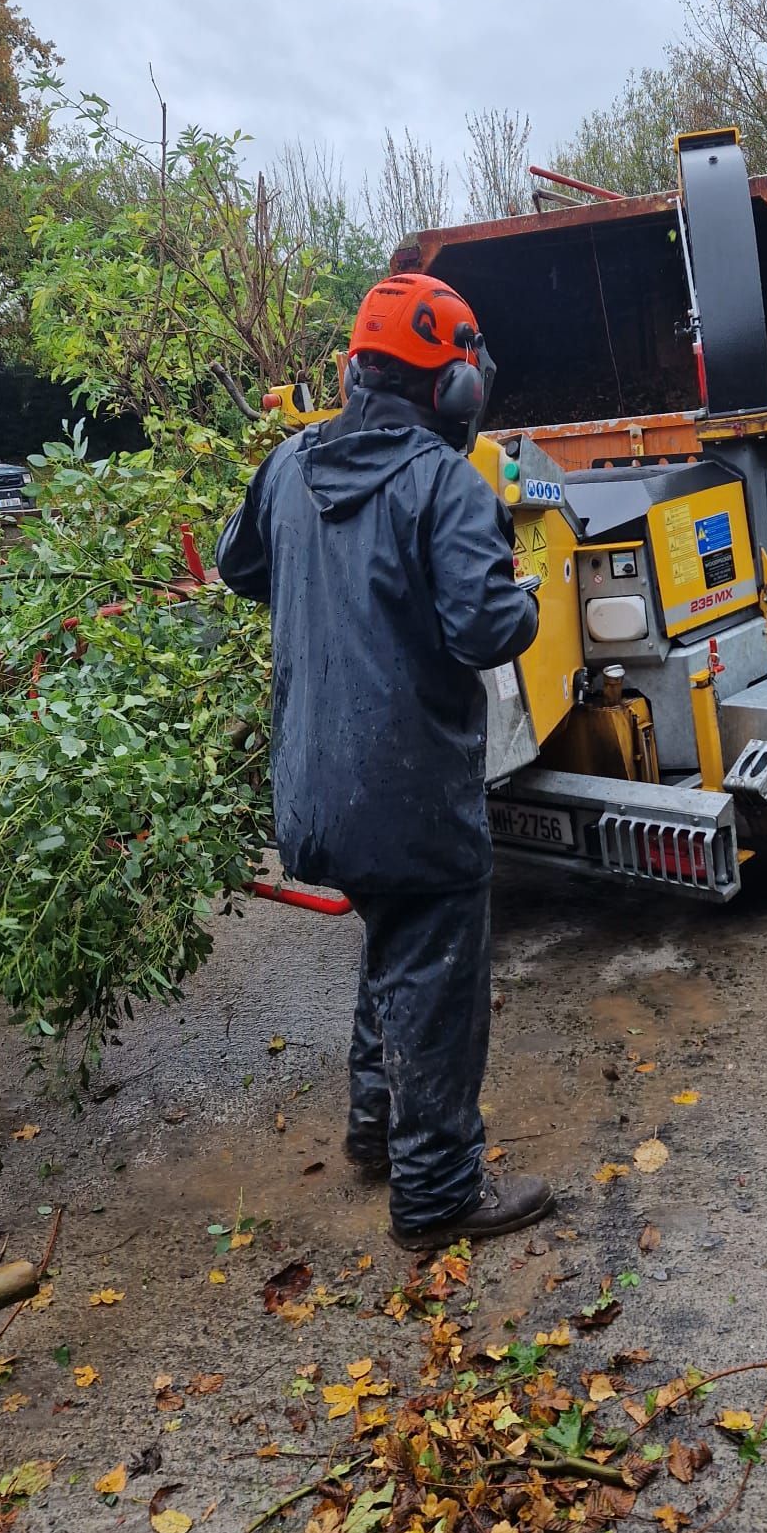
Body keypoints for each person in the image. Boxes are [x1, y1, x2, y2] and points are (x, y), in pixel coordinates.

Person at [216, 272, 551, 1250]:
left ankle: (374, 1131)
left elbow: (243, 568)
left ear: (357, 371)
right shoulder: (445, 482)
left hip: (315, 795)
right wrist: (525, 594)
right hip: (409, 798)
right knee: (436, 976)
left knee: (395, 945)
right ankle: (438, 1194)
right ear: (450, 389)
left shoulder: (287, 464)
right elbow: (488, 630)